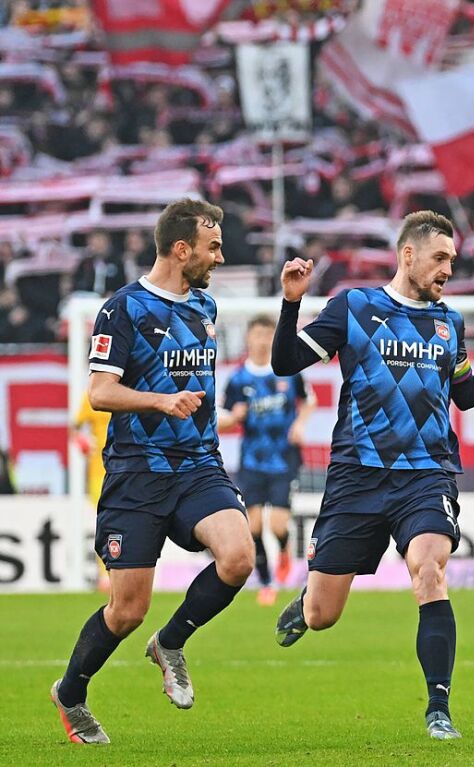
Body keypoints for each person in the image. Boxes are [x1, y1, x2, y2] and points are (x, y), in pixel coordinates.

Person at [270, 211, 474, 740]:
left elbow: (464, 394)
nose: (447, 269)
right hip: (357, 476)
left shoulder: (448, 323)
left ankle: (439, 705)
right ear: (407, 255)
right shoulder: (355, 307)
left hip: (426, 474)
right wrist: (292, 302)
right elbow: (284, 363)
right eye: (440, 258)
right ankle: (305, 602)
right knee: (324, 615)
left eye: (453, 261)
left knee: (429, 570)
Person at [51, 199, 254, 745]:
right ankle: (71, 691)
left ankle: (172, 642)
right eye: (212, 246)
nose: (220, 255)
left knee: (238, 558)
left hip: (197, 466)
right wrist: (160, 402)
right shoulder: (123, 309)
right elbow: (100, 392)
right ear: (181, 249)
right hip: (137, 475)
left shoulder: (205, 308)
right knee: (126, 610)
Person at [221, 315, 316, 606]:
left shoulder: (288, 372)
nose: (262, 340)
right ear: (249, 339)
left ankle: (285, 550)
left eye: (267, 335)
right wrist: (234, 417)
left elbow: (309, 400)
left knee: (276, 525)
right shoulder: (238, 379)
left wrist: (300, 424)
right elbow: (220, 419)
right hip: (252, 460)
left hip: (283, 458)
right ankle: (266, 581)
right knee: (252, 528)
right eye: (257, 334)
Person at [72, 393, 112, 593]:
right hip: (99, 471)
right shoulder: (93, 394)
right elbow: (76, 428)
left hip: (129, 468)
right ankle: (105, 575)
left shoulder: (135, 389)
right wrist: (82, 441)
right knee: (104, 521)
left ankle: (126, 571)